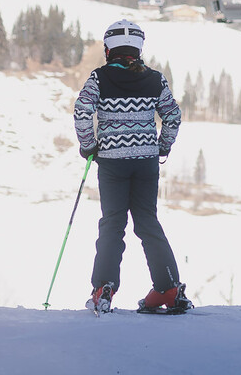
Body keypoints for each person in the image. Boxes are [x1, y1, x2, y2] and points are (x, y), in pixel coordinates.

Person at [73, 19, 193, 314]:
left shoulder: (99, 78)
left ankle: (104, 288)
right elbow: (173, 116)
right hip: (146, 163)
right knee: (147, 222)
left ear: (108, 49)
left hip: (112, 163)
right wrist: (162, 146)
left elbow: (81, 110)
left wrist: (88, 146)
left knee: (112, 224)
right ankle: (168, 288)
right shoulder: (155, 79)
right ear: (139, 48)